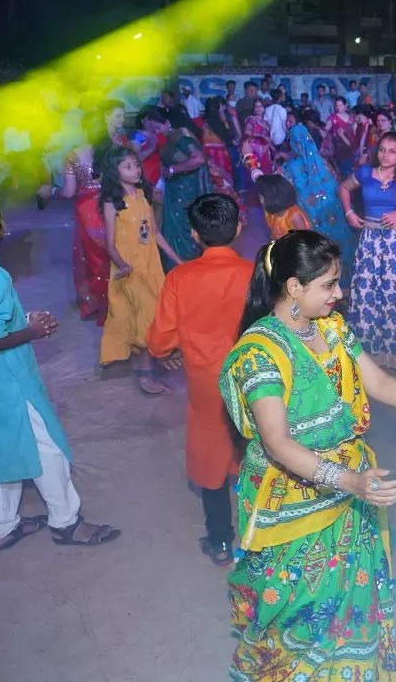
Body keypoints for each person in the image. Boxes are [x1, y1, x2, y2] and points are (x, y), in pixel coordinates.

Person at [219, 230, 396, 680]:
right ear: (294, 287)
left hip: (351, 490)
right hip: (294, 503)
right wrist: (350, 481)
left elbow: (375, 381)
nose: (339, 295)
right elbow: (278, 442)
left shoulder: (332, 328)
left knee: (350, 601)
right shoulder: (259, 353)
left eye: (339, 282)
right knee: (300, 611)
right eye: (328, 285)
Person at [146, 194, 252, 565]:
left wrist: (171, 351)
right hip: (255, 379)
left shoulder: (180, 278)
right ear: (239, 227)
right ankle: (263, 541)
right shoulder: (256, 273)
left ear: (194, 234)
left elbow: (159, 341)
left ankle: (220, 541)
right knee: (261, 451)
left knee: (212, 460)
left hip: (208, 383)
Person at [0, 258, 120, 550]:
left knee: (4, 449)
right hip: (10, 381)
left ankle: (1, 525)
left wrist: (22, 319)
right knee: (47, 448)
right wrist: (32, 332)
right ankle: (66, 522)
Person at [339, 131, 396, 368]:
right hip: (370, 241)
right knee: (368, 293)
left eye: (392, 151)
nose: (385, 155)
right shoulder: (366, 173)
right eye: (382, 150)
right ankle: (372, 352)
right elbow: (344, 189)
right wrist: (349, 213)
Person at [99, 147, 182, 395]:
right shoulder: (112, 202)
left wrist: (177, 260)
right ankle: (145, 369)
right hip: (129, 268)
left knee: (153, 312)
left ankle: (150, 358)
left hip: (150, 264)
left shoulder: (143, 196)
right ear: (115, 172)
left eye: (136, 165)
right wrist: (123, 265)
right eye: (128, 166)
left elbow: (154, 233)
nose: (135, 170)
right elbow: (110, 243)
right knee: (146, 315)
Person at [282, 123, 358, 282]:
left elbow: (286, 191)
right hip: (333, 211)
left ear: (293, 143)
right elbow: (336, 181)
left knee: (321, 248)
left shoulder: (289, 167)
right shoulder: (323, 162)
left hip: (312, 215)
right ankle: (346, 282)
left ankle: (326, 283)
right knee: (340, 244)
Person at [60, 112, 109, 324]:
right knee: (114, 252)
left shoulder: (73, 154)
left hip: (88, 209)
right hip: (113, 203)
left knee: (92, 257)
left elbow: (68, 192)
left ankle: (96, 303)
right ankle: (120, 303)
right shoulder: (116, 149)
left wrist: (51, 192)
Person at [159, 109, 212, 270]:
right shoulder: (174, 137)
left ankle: (185, 266)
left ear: (168, 123)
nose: (155, 128)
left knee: (184, 227)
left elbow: (199, 158)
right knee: (182, 226)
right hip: (179, 189)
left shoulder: (182, 137)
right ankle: (184, 266)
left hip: (184, 190)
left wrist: (172, 170)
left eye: (158, 123)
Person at [256, 173, 311, 239]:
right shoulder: (271, 213)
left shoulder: (295, 217)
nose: (260, 201)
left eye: (261, 197)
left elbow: (304, 240)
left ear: (273, 198)